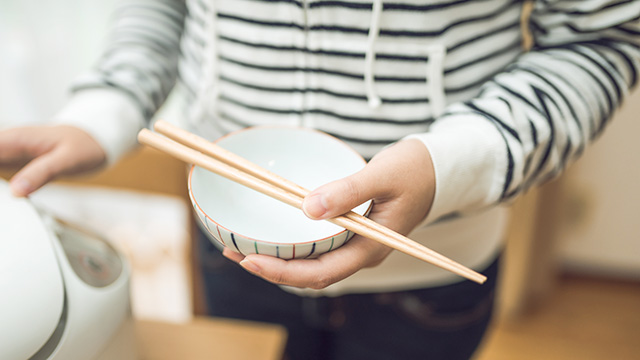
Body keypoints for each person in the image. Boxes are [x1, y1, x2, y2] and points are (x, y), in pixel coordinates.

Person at [1, 1, 638, 359]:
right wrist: (107, 107)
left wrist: (448, 167)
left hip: (434, 268)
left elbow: (604, 36)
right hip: (235, 252)